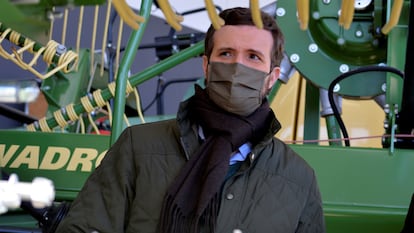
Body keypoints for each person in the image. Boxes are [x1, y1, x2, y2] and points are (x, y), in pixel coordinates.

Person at [55, 7, 325, 233]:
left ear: (272, 76)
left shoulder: (298, 178)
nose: (236, 68)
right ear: (206, 66)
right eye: (226, 54)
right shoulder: (139, 146)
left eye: (253, 57)